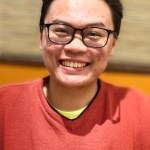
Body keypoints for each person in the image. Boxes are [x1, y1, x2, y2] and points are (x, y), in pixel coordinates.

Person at [0, 0, 150, 149]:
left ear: (112, 46)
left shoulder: (142, 113)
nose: (76, 47)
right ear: (41, 38)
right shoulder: (4, 106)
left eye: (93, 33)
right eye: (61, 30)